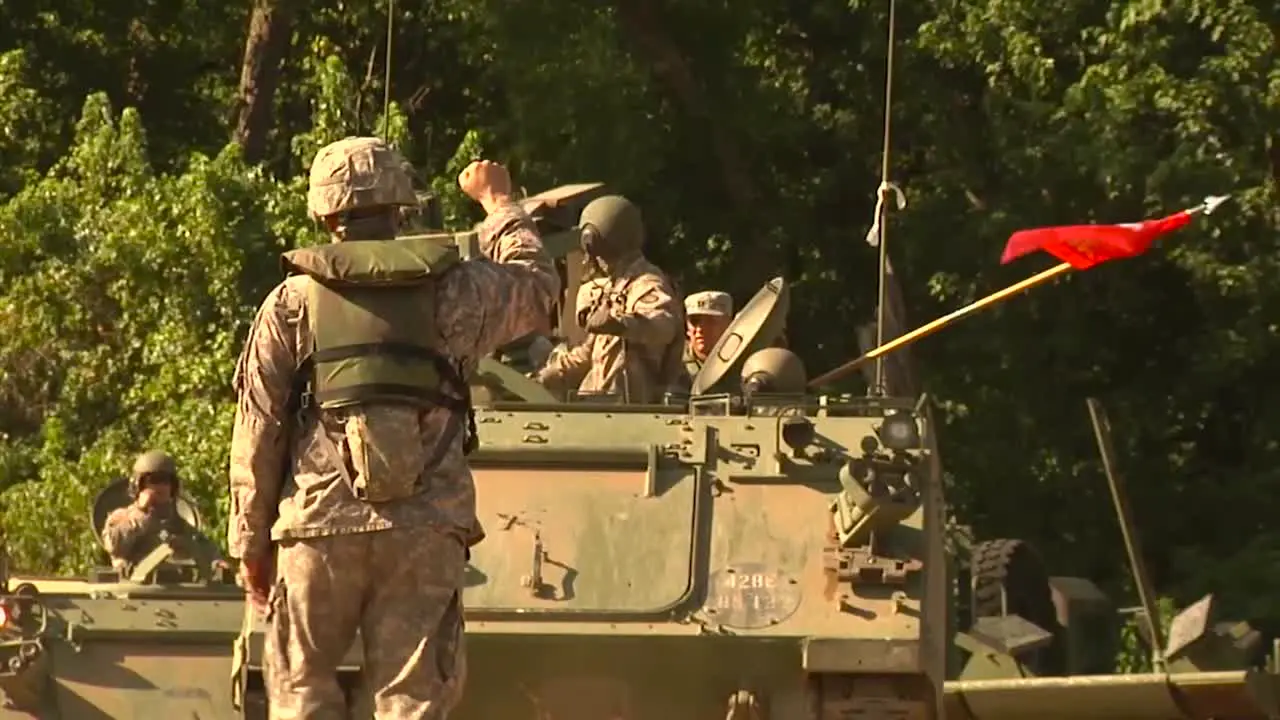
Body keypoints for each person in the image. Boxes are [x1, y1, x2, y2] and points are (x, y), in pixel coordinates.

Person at [228, 136, 558, 719]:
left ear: (324, 213)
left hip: (317, 527)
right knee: (412, 702)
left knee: (300, 696)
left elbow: (258, 429)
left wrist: (250, 545)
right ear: (402, 206)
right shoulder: (454, 290)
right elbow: (537, 290)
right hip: (424, 529)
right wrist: (500, 203)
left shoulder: (289, 304)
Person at [534, 195, 682, 403]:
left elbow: (663, 326)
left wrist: (621, 324)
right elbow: (588, 354)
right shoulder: (614, 287)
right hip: (601, 407)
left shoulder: (646, 282)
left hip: (635, 413)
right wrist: (546, 377)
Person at [101, 450, 225, 574]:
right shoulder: (122, 517)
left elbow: (205, 550)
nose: (160, 486)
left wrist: (217, 562)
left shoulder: (179, 524)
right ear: (139, 485)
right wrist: (141, 512)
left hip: (175, 588)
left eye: (165, 480)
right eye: (153, 480)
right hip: (137, 587)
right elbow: (114, 546)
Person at [678, 290, 733, 387]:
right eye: (694, 321)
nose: (700, 329)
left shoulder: (744, 362)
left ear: (729, 325)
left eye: (710, 321)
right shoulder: (673, 364)